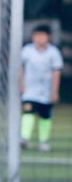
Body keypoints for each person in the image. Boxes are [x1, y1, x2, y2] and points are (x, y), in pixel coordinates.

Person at [20, 24, 63, 152]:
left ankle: (44, 141)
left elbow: (56, 72)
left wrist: (55, 91)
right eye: (36, 36)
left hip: (46, 91)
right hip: (30, 90)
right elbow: (20, 68)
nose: (39, 39)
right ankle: (24, 138)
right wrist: (21, 84)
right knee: (28, 112)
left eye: (42, 36)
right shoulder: (27, 50)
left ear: (48, 37)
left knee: (45, 116)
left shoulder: (53, 52)